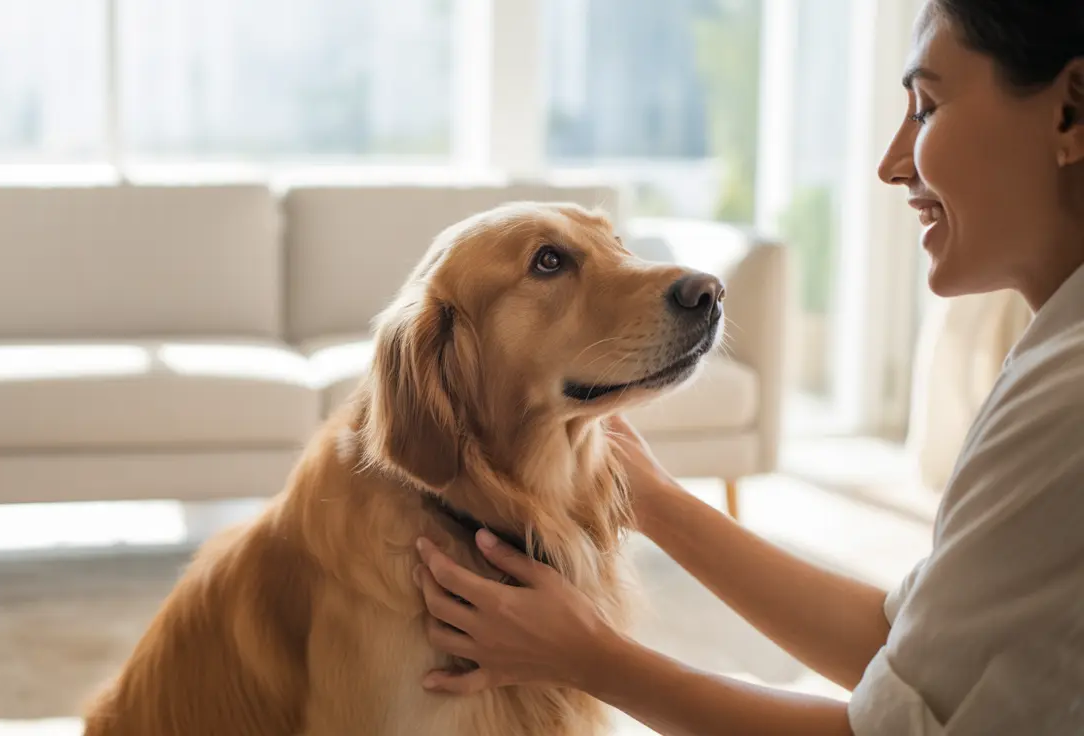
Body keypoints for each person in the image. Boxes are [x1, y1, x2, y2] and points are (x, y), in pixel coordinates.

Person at [411, 0, 1084, 733]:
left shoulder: (1068, 400)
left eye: (926, 106)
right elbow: (906, 646)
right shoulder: (1057, 350)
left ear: (1069, 113)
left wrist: (592, 658)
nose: (892, 163)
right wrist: (654, 500)